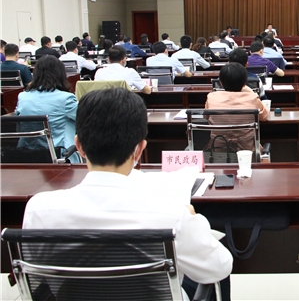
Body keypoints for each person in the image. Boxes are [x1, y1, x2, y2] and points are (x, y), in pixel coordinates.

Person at [22, 87, 233, 300]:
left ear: (79, 146)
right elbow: (219, 267)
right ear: (139, 149)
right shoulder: (171, 215)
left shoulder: (38, 210)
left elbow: (38, 276)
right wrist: (193, 219)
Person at [15, 55, 78, 154]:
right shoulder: (66, 99)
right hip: (61, 154)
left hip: (27, 154)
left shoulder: (22, 97)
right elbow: (85, 118)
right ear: (61, 74)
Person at [205, 63, 269, 152]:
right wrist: (250, 92)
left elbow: (206, 116)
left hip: (218, 153)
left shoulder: (211, 97)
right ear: (245, 83)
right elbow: (264, 117)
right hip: (249, 153)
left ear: (221, 83)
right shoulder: (252, 98)